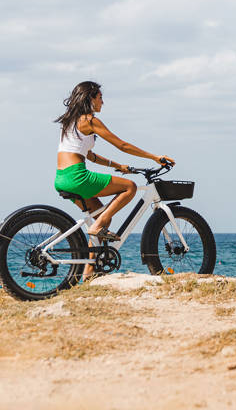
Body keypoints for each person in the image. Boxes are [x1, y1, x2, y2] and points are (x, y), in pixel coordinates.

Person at [54, 81, 175, 280]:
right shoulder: (90, 120)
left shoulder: (71, 121)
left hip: (62, 178)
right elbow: (122, 144)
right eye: (100, 97)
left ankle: (88, 274)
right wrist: (154, 157)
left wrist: (117, 166)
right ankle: (97, 227)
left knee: (102, 215)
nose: (103, 102)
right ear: (91, 98)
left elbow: (89, 155)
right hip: (77, 177)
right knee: (130, 187)